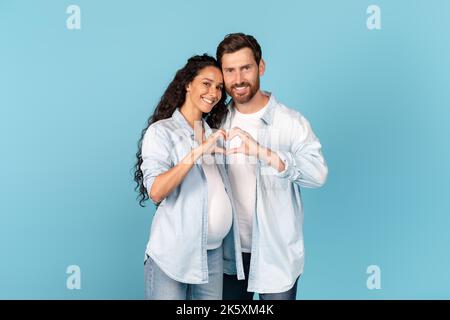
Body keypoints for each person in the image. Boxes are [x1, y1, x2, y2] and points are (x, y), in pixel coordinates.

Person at [216, 33, 328, 300]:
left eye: (246, 68)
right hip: (227, 256)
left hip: (275, 255)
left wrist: (264, 153)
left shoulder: (290, 122)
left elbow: (318, 174)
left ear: (261, 67)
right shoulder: (215, 122)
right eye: (229, 70)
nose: (238, 78)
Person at [133, 54, 244, 300]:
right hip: (173, 255)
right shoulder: (162, 132)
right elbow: (156, 191)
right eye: (206, 83)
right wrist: (196, 153)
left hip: (212, 257)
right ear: (187, 84)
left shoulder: (212, 133)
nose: (214, 93)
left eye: (218, 88)